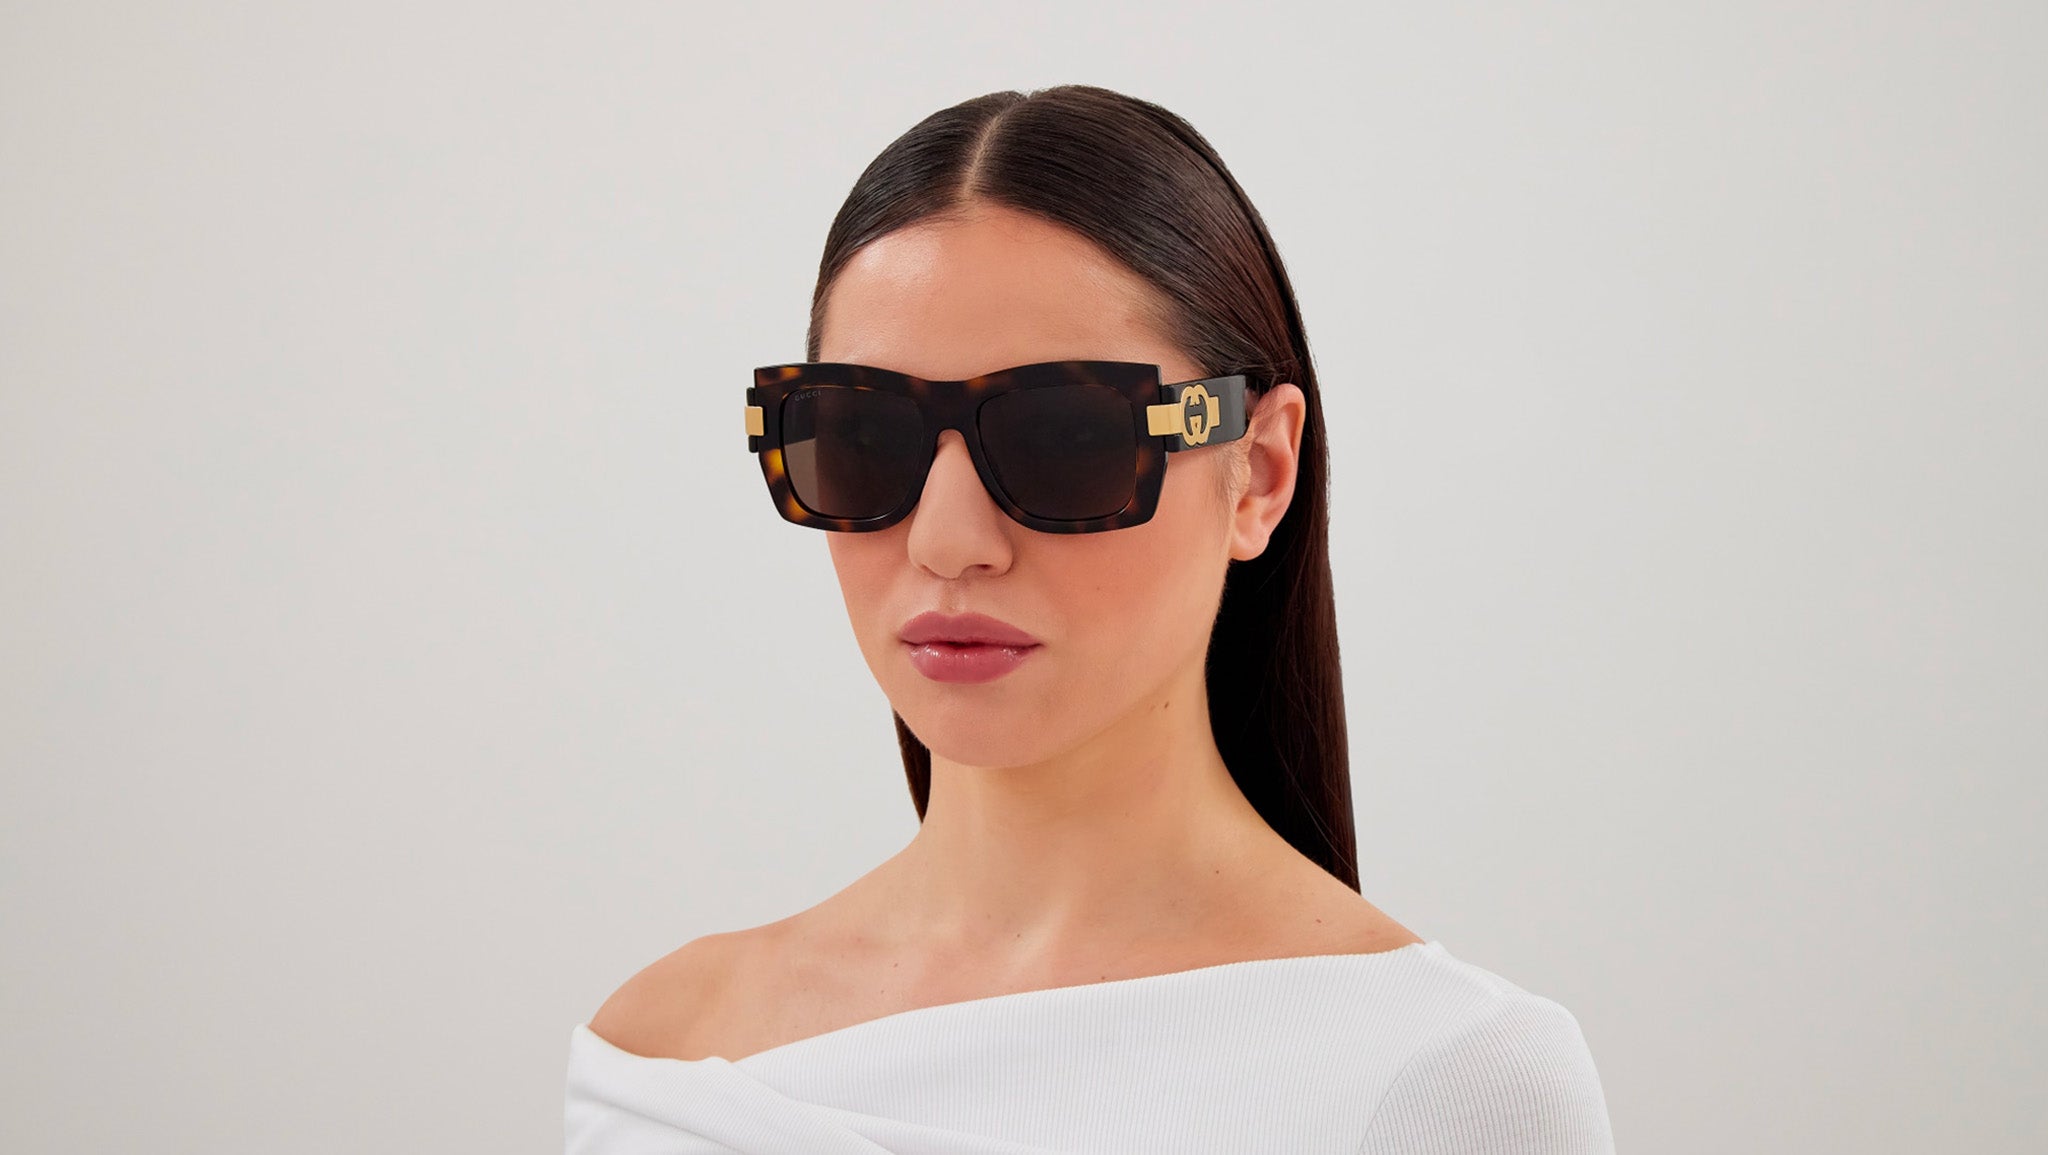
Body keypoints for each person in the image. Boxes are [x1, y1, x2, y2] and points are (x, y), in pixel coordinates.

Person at [564, 84, 1615, 1154]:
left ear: (1258, 472)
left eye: (1065, 436)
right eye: (863, 435)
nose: (948, 540)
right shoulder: (662, 1053)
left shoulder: (1448, 1082)